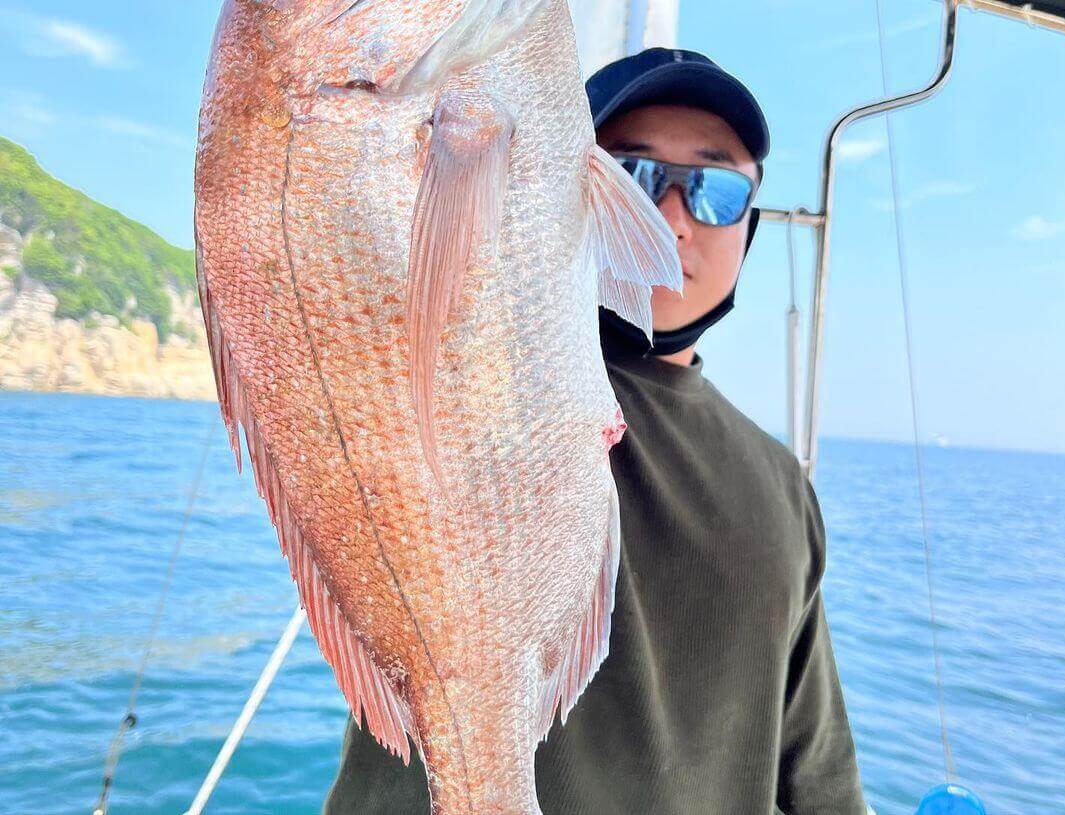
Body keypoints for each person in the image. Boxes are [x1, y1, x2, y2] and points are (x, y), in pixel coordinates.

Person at [323, 47, 867, 815]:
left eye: (715, 188)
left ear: (750, 222)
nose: (672, 217)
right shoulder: (460, 366)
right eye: (633, 176)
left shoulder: (781, 480)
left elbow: (817, 767)